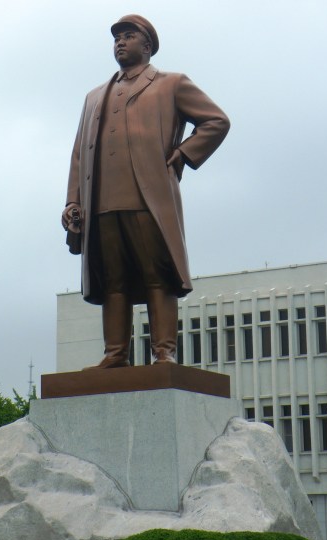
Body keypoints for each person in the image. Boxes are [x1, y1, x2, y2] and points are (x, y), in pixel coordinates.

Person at [62, 14, 229, 369]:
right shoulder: (94, 97)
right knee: (113, 279)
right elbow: (78, 154)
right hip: (101, 202)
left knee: (158, 274)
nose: (120, 42)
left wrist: (183, 154)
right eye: (116, 38)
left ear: (147, 45)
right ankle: (115, 354)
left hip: (147, 198)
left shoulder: (171, 84)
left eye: (128, 36)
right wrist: (73, 201)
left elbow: (216, 121)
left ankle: (164, 353)